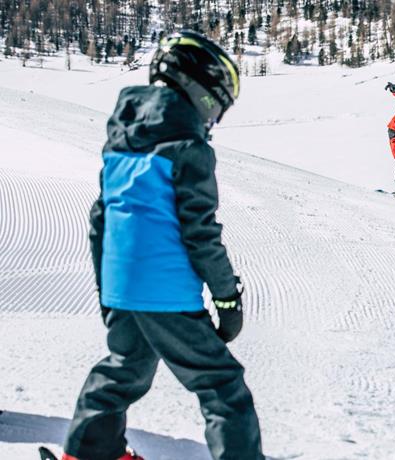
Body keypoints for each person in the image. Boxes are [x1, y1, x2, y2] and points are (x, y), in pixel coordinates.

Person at [63, 30, 263, 460]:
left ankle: (90, 452)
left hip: (123, 284)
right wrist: (228, 298)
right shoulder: (188, 149)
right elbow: (200, 233)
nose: (214, 119)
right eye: (217, 106)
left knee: (125, 368)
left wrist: (109, 292)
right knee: (222, 385)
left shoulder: (120, 144)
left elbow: (101, 219)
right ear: (200, 89)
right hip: (166, 290)